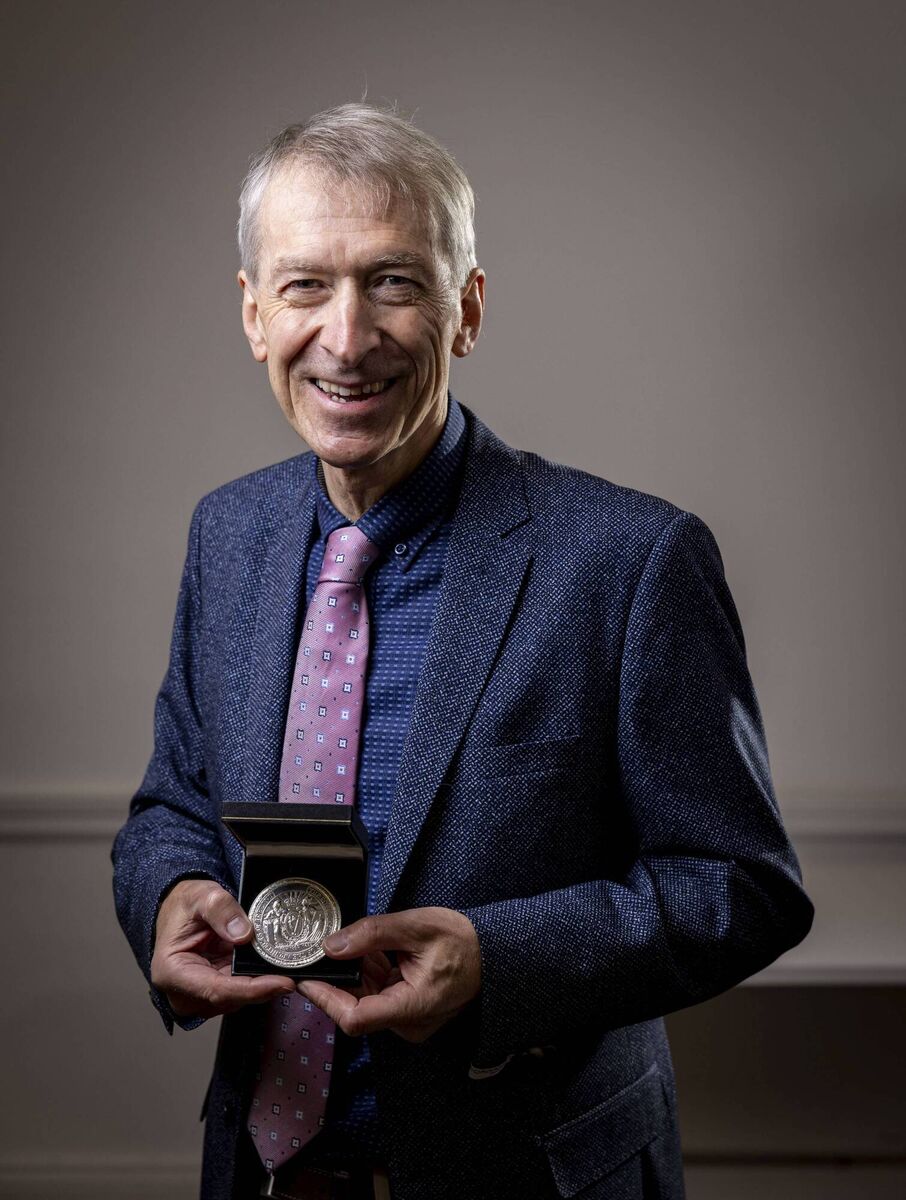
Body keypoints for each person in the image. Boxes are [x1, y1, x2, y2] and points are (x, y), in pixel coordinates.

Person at [112, 103, 813, 1200]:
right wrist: (170, 895)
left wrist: (498, 961)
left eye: (393, 282)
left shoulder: (631, 560)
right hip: (261, 1170)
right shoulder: (228, 535)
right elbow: (172, 804)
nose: (347, 337)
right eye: (305, 286)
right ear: (254, 314)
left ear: (467, 308)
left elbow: (742, 886)